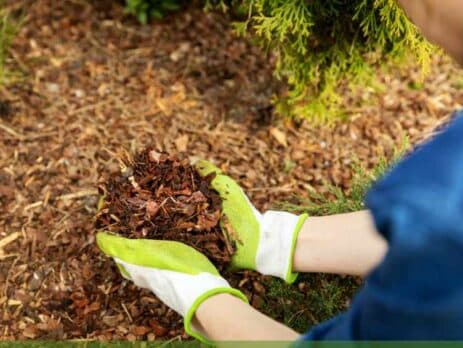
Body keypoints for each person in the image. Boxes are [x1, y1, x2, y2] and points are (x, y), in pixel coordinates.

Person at [96, 0, 463, 343]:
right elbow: (441, 239)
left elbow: (441, 239)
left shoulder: (435, 188)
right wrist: (271, 239)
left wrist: (194, 293)